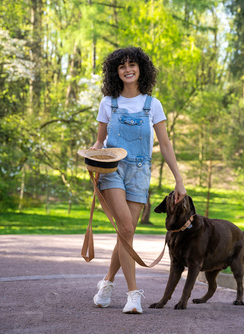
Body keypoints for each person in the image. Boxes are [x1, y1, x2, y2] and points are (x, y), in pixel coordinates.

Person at [90, 47, 186, 314]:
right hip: (112, 170)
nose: (127, 69)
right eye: (122, 66)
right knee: (127, 228)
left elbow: (165, 144)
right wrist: (94, 153)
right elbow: (100, 140)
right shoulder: (108, 102)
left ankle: (107, 284)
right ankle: (133, 294)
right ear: (115, 72)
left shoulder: (152, 104)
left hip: (141, 173)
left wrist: (179, 180)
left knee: (125, 232)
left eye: (132, 64)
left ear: (141, 68)